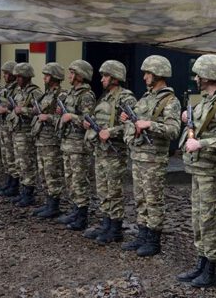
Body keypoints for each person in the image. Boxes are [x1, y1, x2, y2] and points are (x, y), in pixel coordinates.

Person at [177, 54, 216, 287]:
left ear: (208, 76)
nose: (196, 78)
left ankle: (210, 270)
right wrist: (188, 121)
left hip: (213, 171)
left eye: (199, 74)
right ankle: (201, 263)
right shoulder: (206, 101)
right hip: (199, 169)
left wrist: (202, 143)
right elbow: (201, 128)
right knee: (198, 219)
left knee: (210, 220)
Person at [119, 55, 181, 257]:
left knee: (153, 200)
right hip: (138, 156)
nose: (145, 77)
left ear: (158, 74)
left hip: (154, 159)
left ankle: (153, 240)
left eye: (148, 73)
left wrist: (150, 125)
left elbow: (173, 131)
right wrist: (127, 120)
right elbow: (135, 123)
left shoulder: (170, 101)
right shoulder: (145, 98)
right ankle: (142, 235)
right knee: (140, 199)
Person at [82, 60, 137, 244]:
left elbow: (131, 125)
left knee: (114, 191)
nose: (102, 79)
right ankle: (106, 223)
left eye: (105, 76)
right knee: (103, 190)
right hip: (101, 151)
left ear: (114, 78)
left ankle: (115, 228)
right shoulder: (105, 98)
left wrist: (111, 132)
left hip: (115, 152)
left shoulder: (126, 98)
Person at [56, 59, 96, 231]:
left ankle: (81, 216)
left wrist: (71, 117)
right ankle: (74, 210)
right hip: (68, 144)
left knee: (79, 181)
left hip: (79, 146)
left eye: (73, 73)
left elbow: (89, 122)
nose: (69, 76)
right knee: (70, 180)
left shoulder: (86, 95)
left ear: (81, 75)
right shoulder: (71, 93)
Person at [31, 62, 65, 218]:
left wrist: (48, 117)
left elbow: (63, 117)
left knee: (52, 173)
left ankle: (54, 206)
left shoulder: (61, 95)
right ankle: (48, 203)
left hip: (51, 140)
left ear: (55, 77)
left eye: (47, 75)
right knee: (43, 173)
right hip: (41, 138)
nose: (44, 77)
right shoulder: (47, 94)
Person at [10, 63, 43, 207]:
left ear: (27, 77)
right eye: (16, 76)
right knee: (19, 163)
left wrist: (22, 110)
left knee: (27, 163)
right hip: (17, 131)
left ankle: (29, 194)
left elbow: (37, 112)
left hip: (27, 132)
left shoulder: (35, 92)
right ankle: (23, 191)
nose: (17, 79)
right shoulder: (19, 91)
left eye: (20, 77)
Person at [0, 61, 20, 197]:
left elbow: (17, 108)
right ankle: (9, 182)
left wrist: (6, 110)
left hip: (12, 127)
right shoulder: (6, 88)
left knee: (12, 156)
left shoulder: (17, 89)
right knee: (6, 156)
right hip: (3, 125)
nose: (4, 76)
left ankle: (15, 185)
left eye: (6, 73)